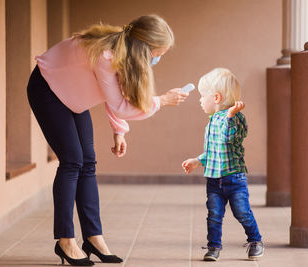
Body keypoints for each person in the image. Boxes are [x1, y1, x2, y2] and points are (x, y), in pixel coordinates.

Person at [27, 14, 188, 266]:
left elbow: (114, 93)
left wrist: (119, 130)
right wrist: (163, 100)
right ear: (143, 47)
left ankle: (93, 237)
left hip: (71, 97)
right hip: (47, 88)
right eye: (158, 53)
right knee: (72, 161)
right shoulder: (107, 55)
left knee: (88, 161)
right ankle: (65, 241)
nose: (158, 59)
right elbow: (121, 104)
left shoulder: (123, 52)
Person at [181, 68, 264, 261]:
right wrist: (197, 161)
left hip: (234, 178)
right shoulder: (212, 120)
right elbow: (213, 151)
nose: (200, 100)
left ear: (216, 97)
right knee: (214, 215)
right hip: (214, 180)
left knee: (242, 212)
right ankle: (214, 247)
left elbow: (230, 138)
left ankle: (255, 241)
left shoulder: (235, 117)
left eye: (202, 96)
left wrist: (229, 116)